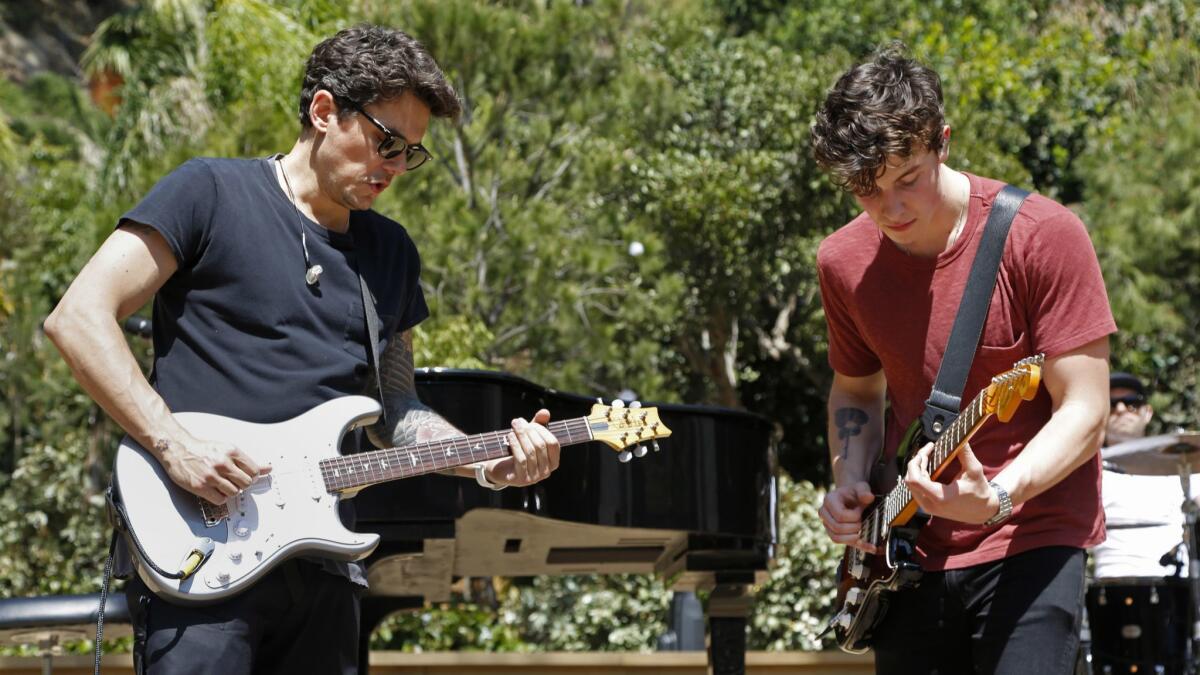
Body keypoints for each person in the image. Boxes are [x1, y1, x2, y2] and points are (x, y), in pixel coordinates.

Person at [44, 24, 562, 674]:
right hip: (200, 547)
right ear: (324, 111)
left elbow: (397, 406)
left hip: (325, 562)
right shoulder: (209, 193)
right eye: (387, 142)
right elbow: (79, 316)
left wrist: (488, 463)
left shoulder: (390, 252)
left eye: (412, 154)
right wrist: (175, 445)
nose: (397, 168)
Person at [810, 43, 1114, 674]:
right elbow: (857, 390)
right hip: (904, 555)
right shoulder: (841, 263)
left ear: (942, 141)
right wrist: (849, 477)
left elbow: (1085, 408)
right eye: (865, 189)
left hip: (1032, 533)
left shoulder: (1044, 235)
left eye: (906, 179)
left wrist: (998, 497)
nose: (890, 209)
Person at [1092, 371, 1194, 578]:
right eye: (1111, 404)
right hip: (1111, 586)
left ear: (1147, 412)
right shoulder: (1087, 469)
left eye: (1131, 403)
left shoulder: (1181, 461)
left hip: (1177, 586)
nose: (1120, 409)